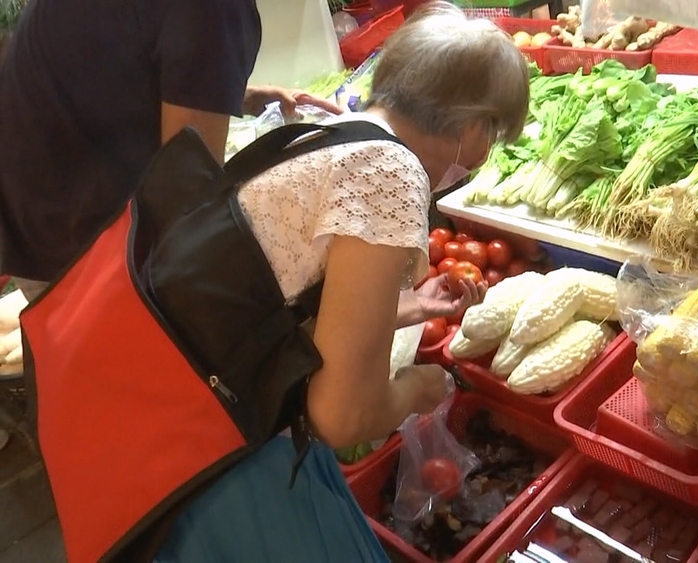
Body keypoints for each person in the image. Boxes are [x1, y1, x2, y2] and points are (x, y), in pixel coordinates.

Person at [146, 4, 530, 561]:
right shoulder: (390, 173)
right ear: (471, 121)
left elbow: (283, 290)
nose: (487, 152)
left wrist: (400, 308)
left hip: (179, 413)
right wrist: (418, 390)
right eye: (492, 131)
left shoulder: (331, 134)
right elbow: (342, 415)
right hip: (215, 453)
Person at [0, 0, 341, 303]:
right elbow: (189, 197)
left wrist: (230, 95)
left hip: (30, 210)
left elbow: (113, 65)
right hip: (72, 242)